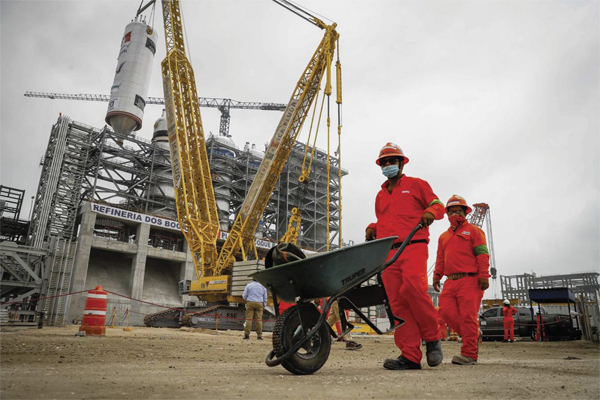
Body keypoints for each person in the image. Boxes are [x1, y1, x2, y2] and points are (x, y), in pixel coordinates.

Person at [365, 142, 445, 370]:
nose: (388, 165)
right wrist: (372, 226)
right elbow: (385, 220)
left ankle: (432, 337)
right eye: (385, 162)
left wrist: (430, 212)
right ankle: (410, 355)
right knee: (396, 304)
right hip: (389, 252)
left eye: (392, 161)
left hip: (414, 245)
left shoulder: (417, 185)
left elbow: (437, 204)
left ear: (401, 162)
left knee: (414, 289)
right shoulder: (380, 196)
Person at [433, 195, 490, 366]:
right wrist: (437, 275)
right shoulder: (443, 237)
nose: (454, 214)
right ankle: (473, 334)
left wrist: (484, 275)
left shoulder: (475, 231)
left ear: (465, 213)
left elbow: (482, 254)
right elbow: (440, 258)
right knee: (445, 312)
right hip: (450, 281)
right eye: (451, 212)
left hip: (470, 280)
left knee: (467, 316)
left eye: (458, 211)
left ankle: (469, 354)